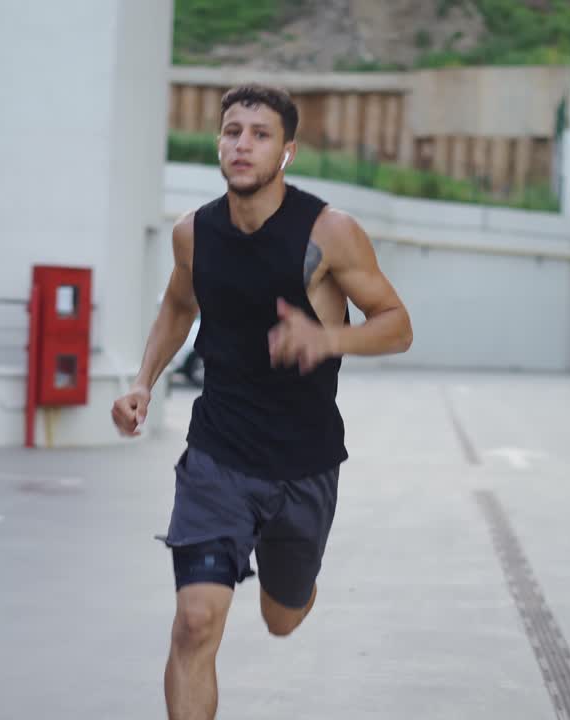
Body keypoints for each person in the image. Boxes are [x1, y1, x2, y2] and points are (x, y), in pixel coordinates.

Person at [111, 83, 414, 720]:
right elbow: (176, 305)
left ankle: (291, 583)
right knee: (194, 624)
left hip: (305, 463)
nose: (242, 143)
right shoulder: (194, 234)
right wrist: (143, 382)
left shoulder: (329, 232)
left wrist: (326, 337)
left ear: (288, 151)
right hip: (218, 455)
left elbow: (396, 323)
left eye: (259, 133)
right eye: (231, 131)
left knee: (283, 618)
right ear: (218, 143)